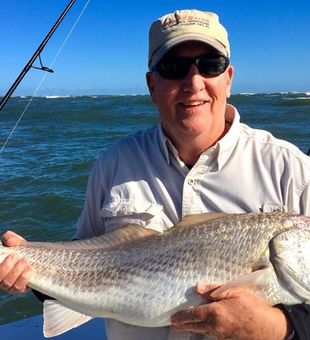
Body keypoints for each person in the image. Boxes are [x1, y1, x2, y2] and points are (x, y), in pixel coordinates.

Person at [1, 8, 309, 340]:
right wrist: (25, 271)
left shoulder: (290, 168)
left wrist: (280, 329)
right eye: (173, 68)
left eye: (210, 65)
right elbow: (83, 265)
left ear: (229, 78)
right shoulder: (113, 164)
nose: (193, 83)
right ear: (152, 85)